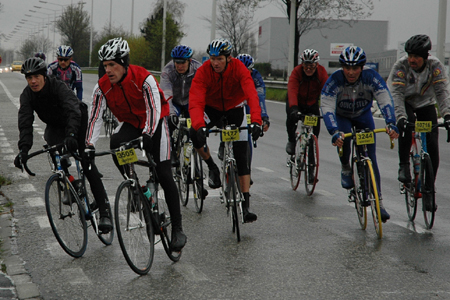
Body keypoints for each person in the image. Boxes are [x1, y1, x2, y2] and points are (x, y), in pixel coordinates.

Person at [86, 37, 186, 251]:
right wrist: (89, 145)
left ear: (123, 63)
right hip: (132, 123)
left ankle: (177, 229)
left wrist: (148, 134)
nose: (108, 70)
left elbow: (153, 108)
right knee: (116, 143)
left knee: (164, 172)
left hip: (156, 122)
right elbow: (95, 118)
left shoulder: (143, 78)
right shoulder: (102, 87)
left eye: (112, 65)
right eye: (105, 66)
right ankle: (136, 187)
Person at [14, 57, 112, 233]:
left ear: (44, 75)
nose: (33, 81)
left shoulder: (57, 86)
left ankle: (105, 211)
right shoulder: (27, 95)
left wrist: (72, 134)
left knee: (86, 162)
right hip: (55, 125)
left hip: (77, 120)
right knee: (52, 149)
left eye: (36, 76)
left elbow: (73, 109)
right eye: (29, 78)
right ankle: (72, 183)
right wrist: (23, 150)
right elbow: (25, 123)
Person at [320, 46, 399, 222]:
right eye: (347, 68)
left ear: (362, 67)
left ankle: (379, 203)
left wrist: (391, 123)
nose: (351, 72)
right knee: (345, 137)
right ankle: (346, 168)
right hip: (342, 117)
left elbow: (385, 98)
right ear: (342, 67)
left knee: (371, 157)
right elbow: (326, 106)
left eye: (355, 68)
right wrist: (334, 131)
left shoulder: (371, 77)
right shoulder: (335, 80)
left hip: (363, 115)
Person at [188, 38, 262, 223]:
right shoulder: (204, 71)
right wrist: (199, 125)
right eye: (212, 58)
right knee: (193, 134)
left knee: (242, 157)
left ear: (228, 58)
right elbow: (196, 100)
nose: (215, 62)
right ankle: (212, 168)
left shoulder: (239, 69)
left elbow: (252, 95)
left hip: (235, 109)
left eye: (220, 58)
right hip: (211, 109)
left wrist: (257, 121)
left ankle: (245, 207)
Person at [387, 34, 450, 184]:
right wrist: (400, 117)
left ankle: (429, 185)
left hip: (425, 102)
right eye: (410, 56)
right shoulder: (400, 66)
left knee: (433, 142)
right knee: (406, 125)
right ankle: (403, 165)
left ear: (425, 57)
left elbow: (442, 92)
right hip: (405, 101)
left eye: (416, 57)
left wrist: (447, 115)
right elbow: (396, 94)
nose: (412, 60)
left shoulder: (435, 66)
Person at [217, 53, 270, 178]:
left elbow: (259, 98)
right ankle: (222, 143)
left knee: (246, 133)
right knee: (224, 116)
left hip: (248, 102)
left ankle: (246, 170)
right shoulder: (230, 72)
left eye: (248, 70)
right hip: (234, 101)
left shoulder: (255, 77)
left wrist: (263, 117)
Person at [285, 49, 328, 155]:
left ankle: (313, 145)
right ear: (302, 64)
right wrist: (294, 108)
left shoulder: (321, 73)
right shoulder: (297, 72)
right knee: (291, 118)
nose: (308, 69)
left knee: (316, 124)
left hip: (311, 103)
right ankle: (291, 140)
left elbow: (327, 93)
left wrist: (328, 110)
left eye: (312, 66)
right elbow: (292, 90)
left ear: (317, 65)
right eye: (305, 66)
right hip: (297, 102)